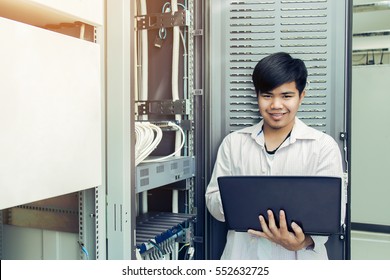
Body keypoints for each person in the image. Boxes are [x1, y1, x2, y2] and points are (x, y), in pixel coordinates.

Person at [205, 52, 344, 260]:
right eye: (267, 95)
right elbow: (212, 200)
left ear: (301, 96)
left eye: (286, 96)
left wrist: (303, 241)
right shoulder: (234, 143)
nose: (276, 105)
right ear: (257, 95)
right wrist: (241, 201)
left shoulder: (322, 147)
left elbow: (334, 214)